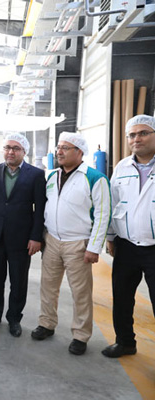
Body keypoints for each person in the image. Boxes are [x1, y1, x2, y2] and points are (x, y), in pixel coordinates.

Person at [31, 131, 111, 356]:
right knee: (48, 286)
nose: (59, 152)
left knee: (80, 293)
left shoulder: (94, 178)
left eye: (65, 148)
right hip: (52, 240)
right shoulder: (52, 176)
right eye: (58, 147)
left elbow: (103, 214)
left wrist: (94, 247)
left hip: (78, 244)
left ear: (80, 152)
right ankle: (47, 323)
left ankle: (80, 335)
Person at [0, 133, 46, 337]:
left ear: (24, 151)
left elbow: (40, 209)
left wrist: (36, 237)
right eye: (7, 148)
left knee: (18, 280)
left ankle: (14, 318)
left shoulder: (35, 175)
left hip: (21, 238)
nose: (10, 152)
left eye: (15, 148)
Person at [102, 115, 155, 358]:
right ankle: (125, 343)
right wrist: (111, 237)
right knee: (122, 298)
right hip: (127, 245)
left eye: (143, 133)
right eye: (132, 135)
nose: (136, 139)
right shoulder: (122, 167)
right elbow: (112, 204)